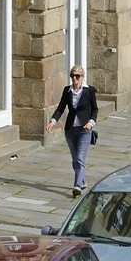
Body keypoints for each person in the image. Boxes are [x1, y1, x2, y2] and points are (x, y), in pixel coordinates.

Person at [46, 66, 98, 196]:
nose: (74, 78)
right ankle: (83, 180)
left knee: (80, 158)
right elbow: (61, 108)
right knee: (75, 159)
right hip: (70, 130)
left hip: (84, 130)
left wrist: (91, 123)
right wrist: (52, 121)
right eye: (72, 76)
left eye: (77, 76)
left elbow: (95, 109)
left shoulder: (89, 91)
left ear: (82, 77)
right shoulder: (67, 91)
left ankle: (77, 186)